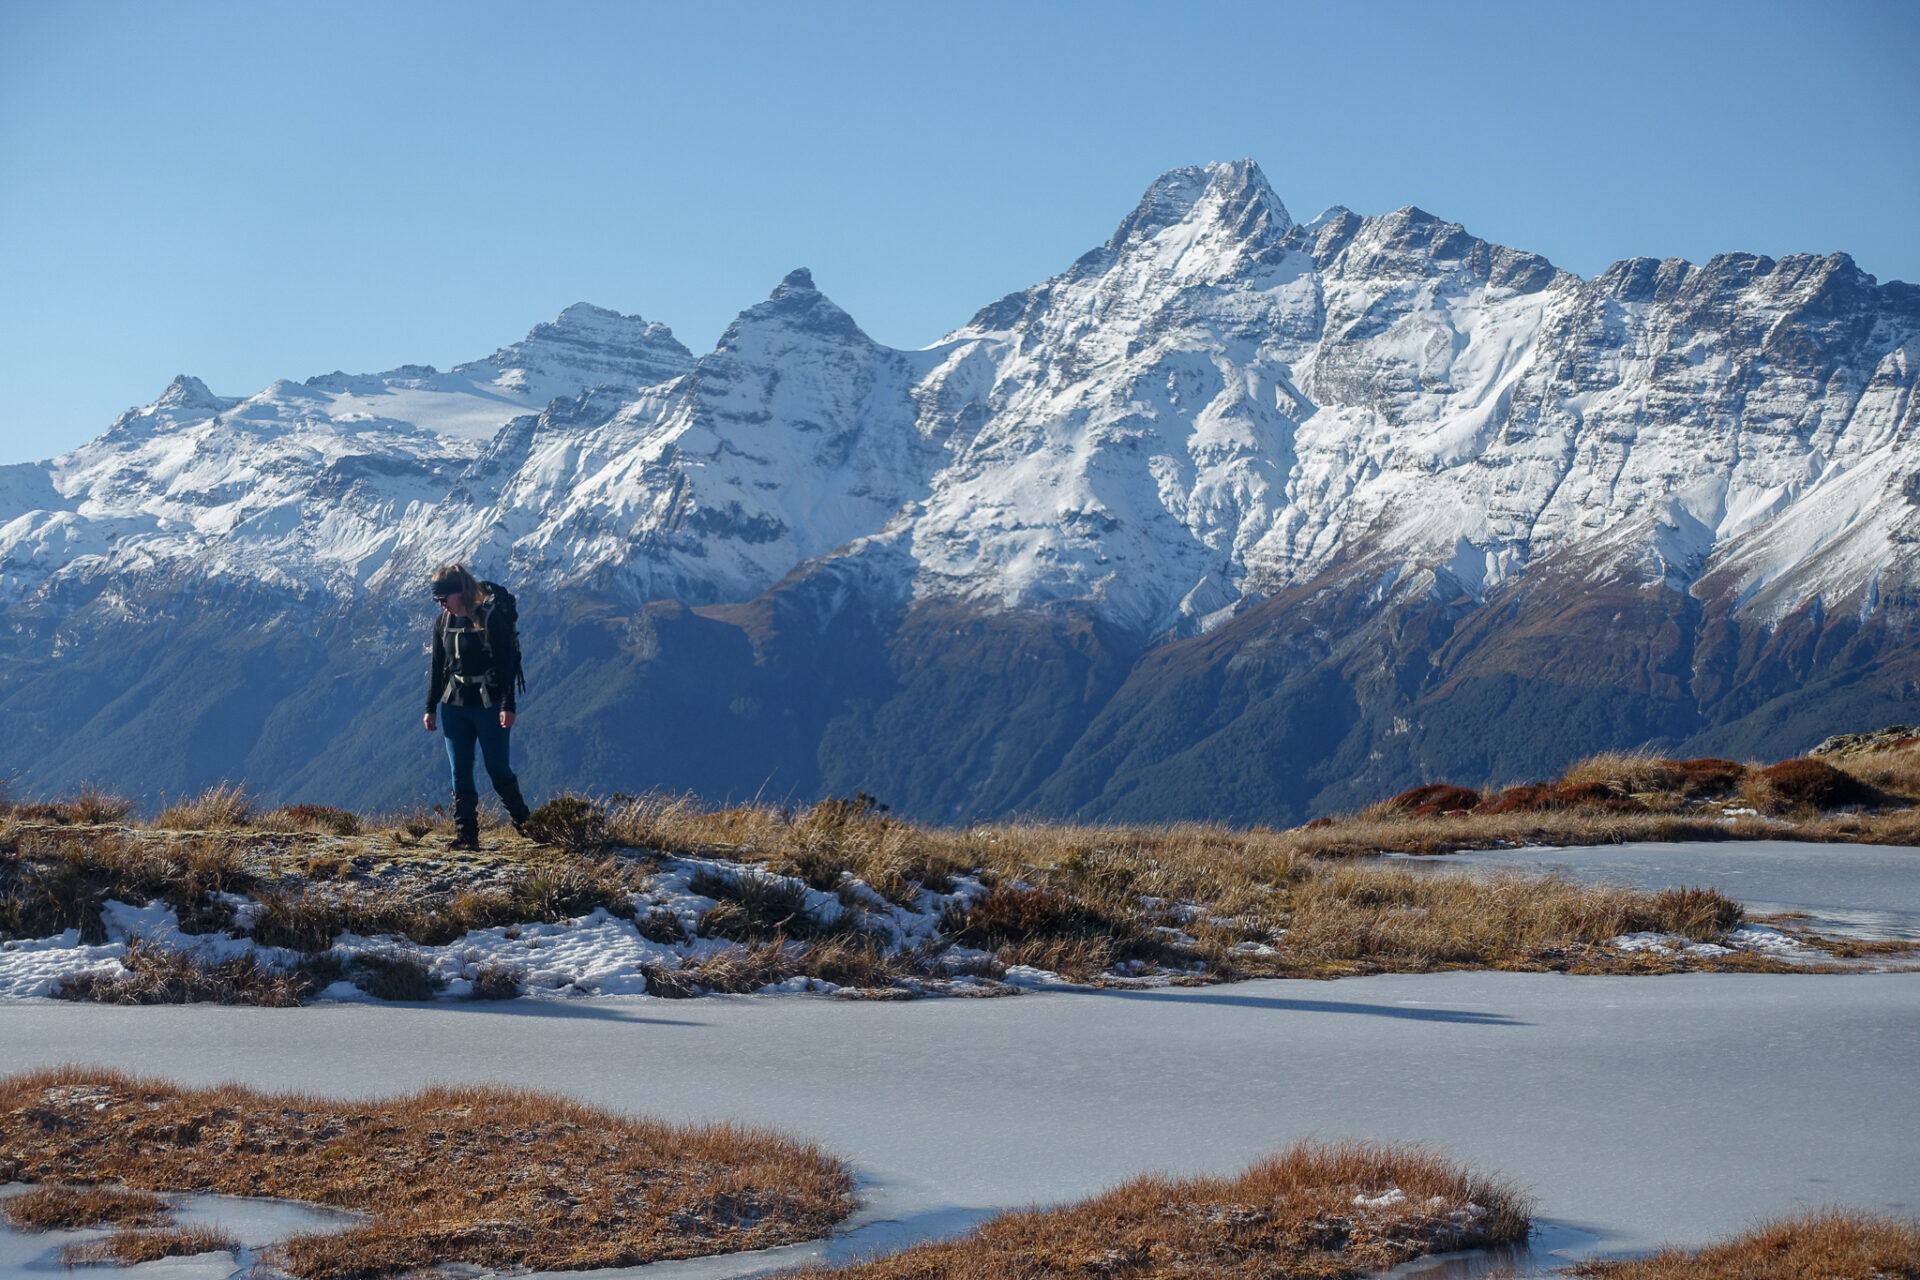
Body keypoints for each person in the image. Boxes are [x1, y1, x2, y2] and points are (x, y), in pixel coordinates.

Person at [422, 564, 532, 850]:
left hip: (489, 705)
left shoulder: (490, 619)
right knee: (460, 770)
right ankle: (466, 836)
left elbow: (506, 664)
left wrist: (508, 705)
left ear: (461, 592)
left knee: (497, 768)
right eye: (436, 600)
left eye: (443, 599)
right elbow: (437, 666)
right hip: (454, 706)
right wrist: (430, 706)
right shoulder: (443, 623)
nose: (440, 605)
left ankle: (528, 827)